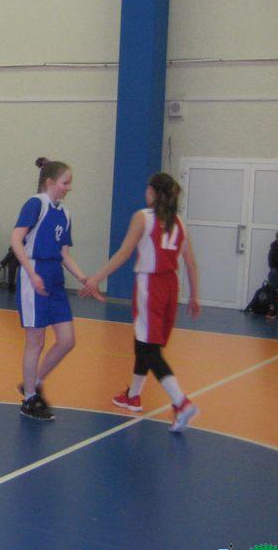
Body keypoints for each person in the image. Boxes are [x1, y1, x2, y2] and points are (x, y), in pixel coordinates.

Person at [81, 173, 202, 433]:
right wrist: (194, 295)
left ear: (153, 192)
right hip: (171, 287)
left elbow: (124, 252)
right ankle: (133, 396)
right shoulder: (179, 222)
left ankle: (181, 402)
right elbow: (191, 263)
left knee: (149, 350)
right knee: (143, 342)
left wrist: (96, 278)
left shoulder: (143, 217)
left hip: (150, 285)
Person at [11, 157, 101, 421]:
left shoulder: (65, 213)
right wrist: (31, 274)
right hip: (34, 273)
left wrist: (84, 278)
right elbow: (15, 240)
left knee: (67, 340)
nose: (69, 187)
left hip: (55, 278)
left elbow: (64, 254)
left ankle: (34, 383)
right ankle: (29, 399)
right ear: (50, 182)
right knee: (36, 341)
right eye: (66, 182)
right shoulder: (35, 204)